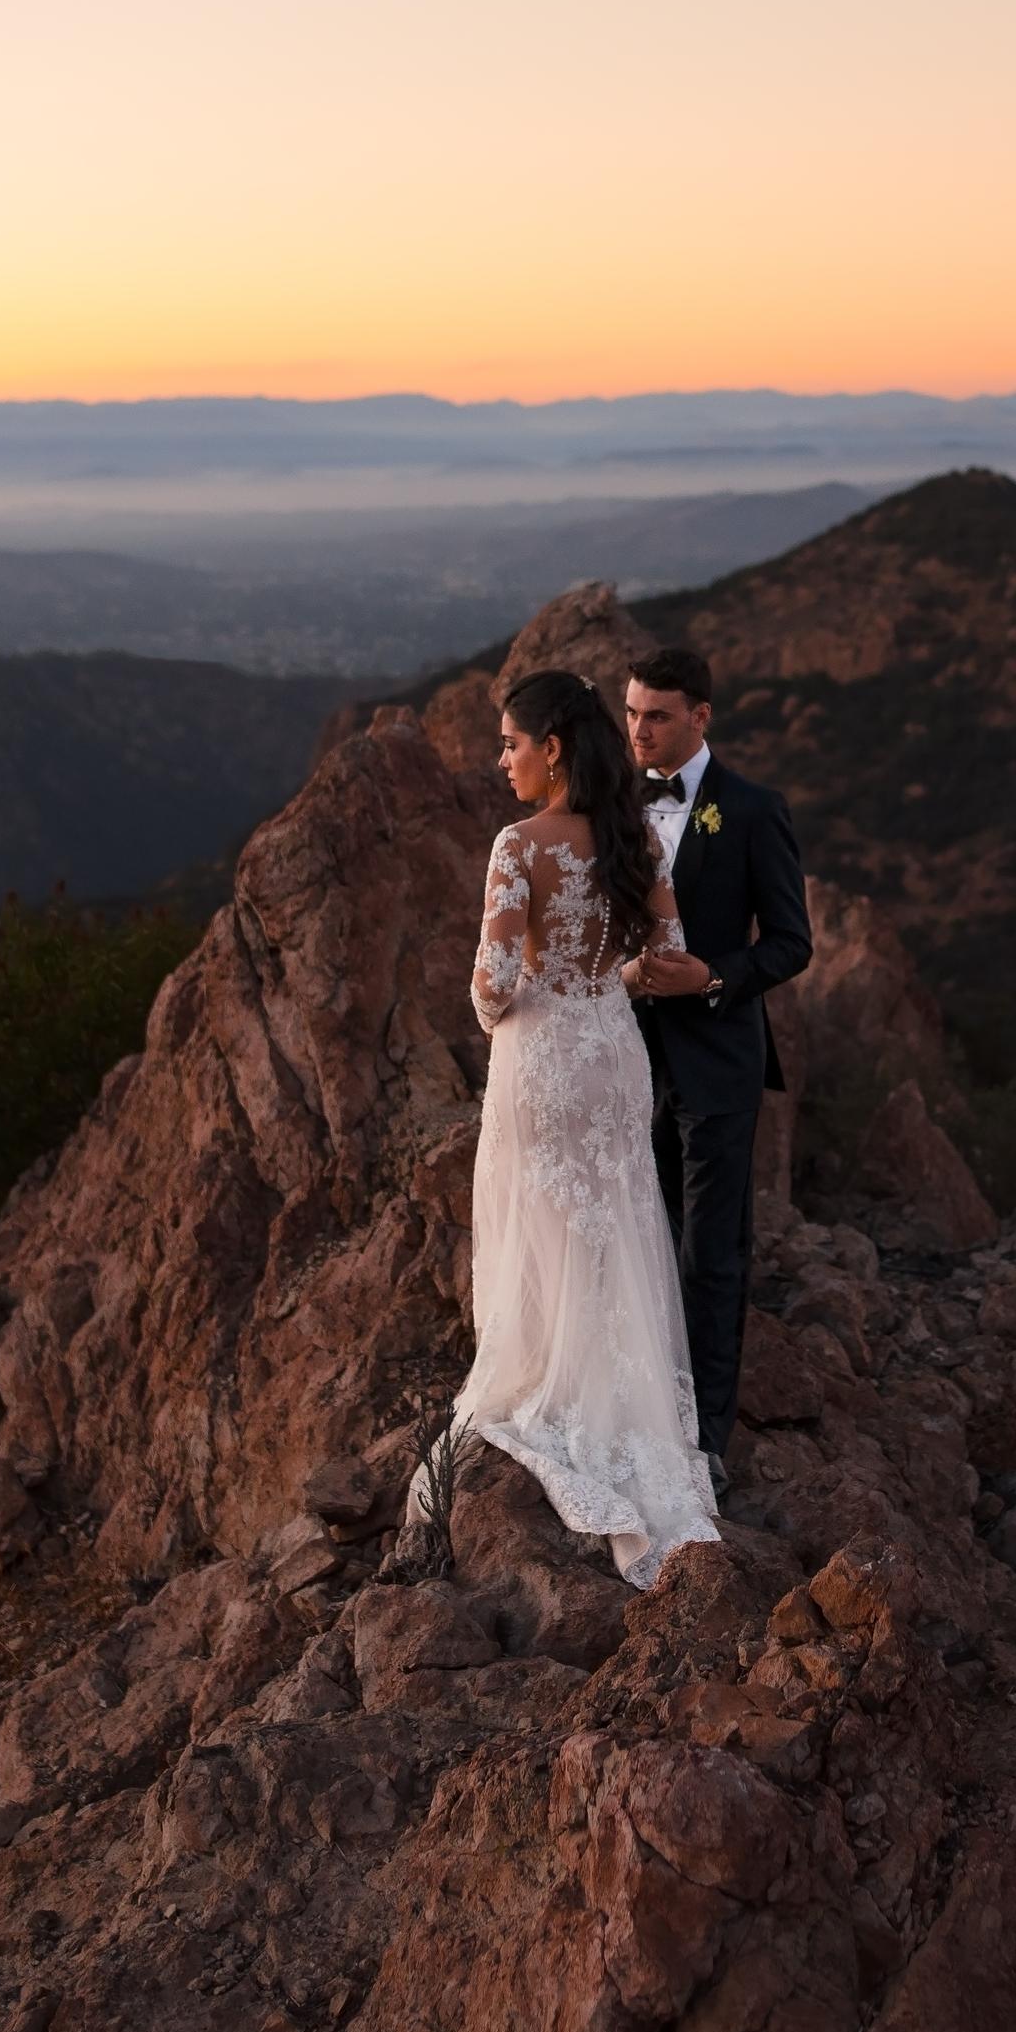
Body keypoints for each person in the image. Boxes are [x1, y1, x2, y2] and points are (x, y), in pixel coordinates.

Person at [413, 668, 721, 1588]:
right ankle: (622, 1408)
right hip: (613, 1055)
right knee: (615, 1218)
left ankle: (552, 1381)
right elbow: (665, 961)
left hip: (543, 1060)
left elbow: (492, 985)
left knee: (541, 1220)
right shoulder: (633, 839)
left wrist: (521, 993)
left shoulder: (518, 846)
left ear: (551, 749)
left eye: (509, 743)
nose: (499, 759)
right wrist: (600, 985)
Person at [617, 646, 811, 1499]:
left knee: (711, 1254)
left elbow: (791, 943)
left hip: (719, 1064)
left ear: (701, 715)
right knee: (640, 1246)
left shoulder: (753, 810)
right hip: (625, 1063)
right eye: (629, 713)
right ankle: (646, 1411)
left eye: (655, 715)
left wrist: (714, 975)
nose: (638, 730)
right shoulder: (613, 809)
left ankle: (707, 1439)